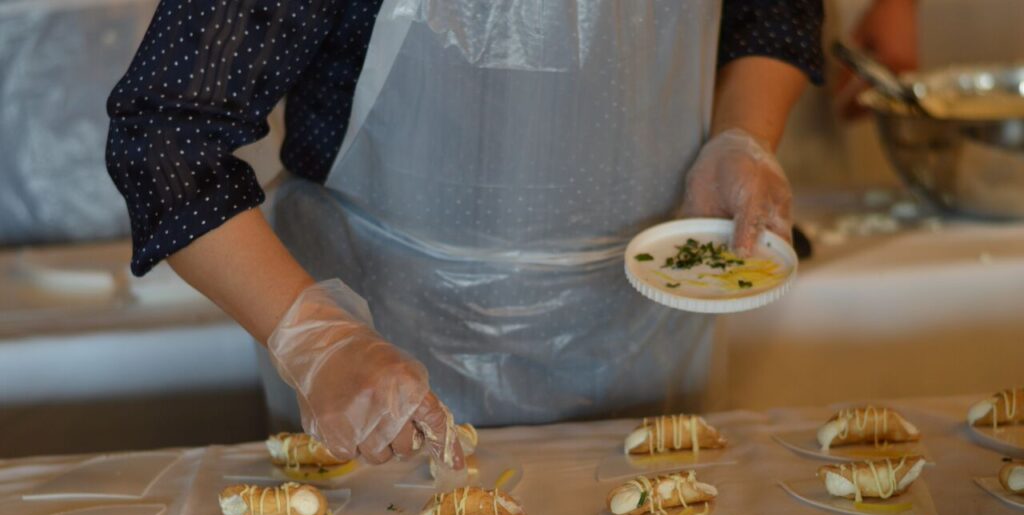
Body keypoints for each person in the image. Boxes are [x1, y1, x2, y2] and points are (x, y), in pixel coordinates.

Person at [106, 0, 823, 471]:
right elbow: (166, 138)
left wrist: (744, 133)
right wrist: (313, 337)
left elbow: (775, 13)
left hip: (643, 348)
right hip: (379, 370)